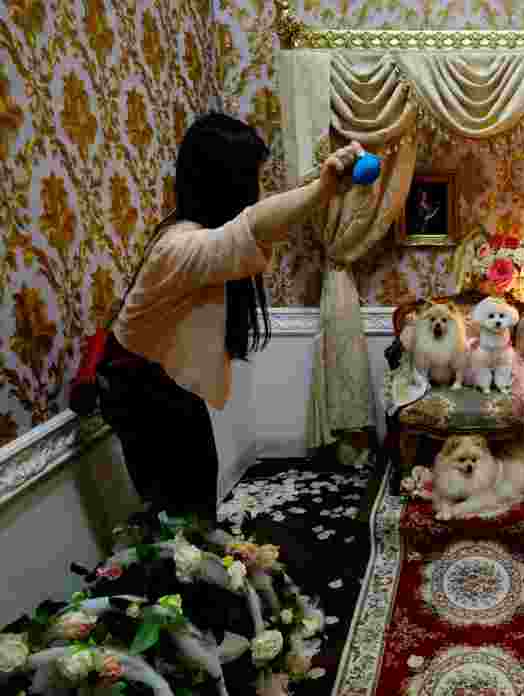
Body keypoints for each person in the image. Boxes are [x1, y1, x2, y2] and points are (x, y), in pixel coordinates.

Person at [98, 112, 365, 527]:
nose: (261, 190)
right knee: (182, 517)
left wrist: (321, 185)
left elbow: (255, 227)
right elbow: (254, 226)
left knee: (194, 505)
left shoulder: (194, 238)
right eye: (255, 178)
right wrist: (323, 190)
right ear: (228, 182)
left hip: (161, 383)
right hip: (140, 391)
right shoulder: (180, 246)